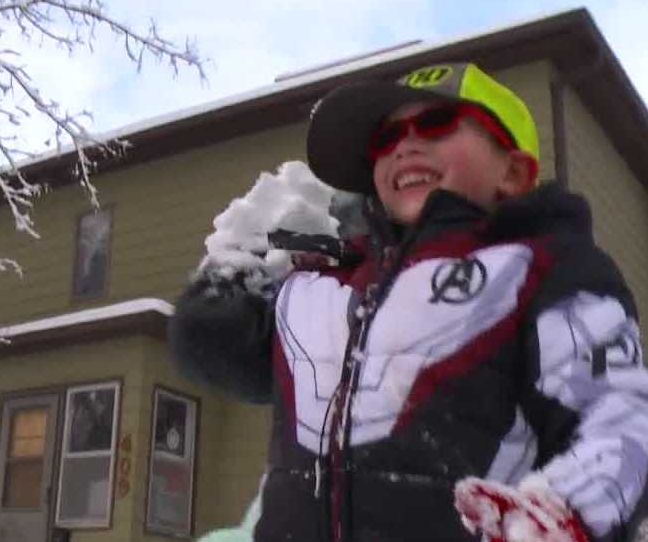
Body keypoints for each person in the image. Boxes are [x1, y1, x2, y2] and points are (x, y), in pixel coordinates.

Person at [169, 62, 648, 541]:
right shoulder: (328, 277)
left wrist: (562, 515)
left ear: (513, 171)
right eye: (387, 139)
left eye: (436, 124)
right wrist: (232, 276)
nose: (405, 145)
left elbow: (618, 415)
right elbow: (218, 355)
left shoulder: (542, 267)